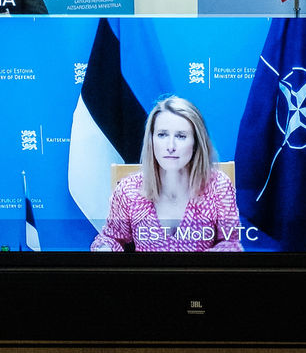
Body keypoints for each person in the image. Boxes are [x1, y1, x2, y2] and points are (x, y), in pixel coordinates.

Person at [91, 96, 242, 252]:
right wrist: (105, 249)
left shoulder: (218, 186)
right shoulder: (128, 190)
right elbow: (111, 238)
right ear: (151, 140)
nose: (171, 146)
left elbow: (231, 242)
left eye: (181, 136)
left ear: (196, 143)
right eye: (162, 135)